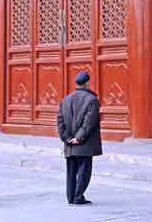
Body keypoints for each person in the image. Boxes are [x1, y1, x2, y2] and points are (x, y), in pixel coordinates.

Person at [57, 71, 102, 205]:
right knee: (84, 170)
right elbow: (89, 122)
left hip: (70, 144)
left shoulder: (65, 100)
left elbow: (60, 122)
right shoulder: (92, 100)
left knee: (71, 171)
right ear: (87, 82)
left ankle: (71, 197)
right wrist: (79, 138)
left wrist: (67, 138)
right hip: (84, 144)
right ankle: (78, 197)